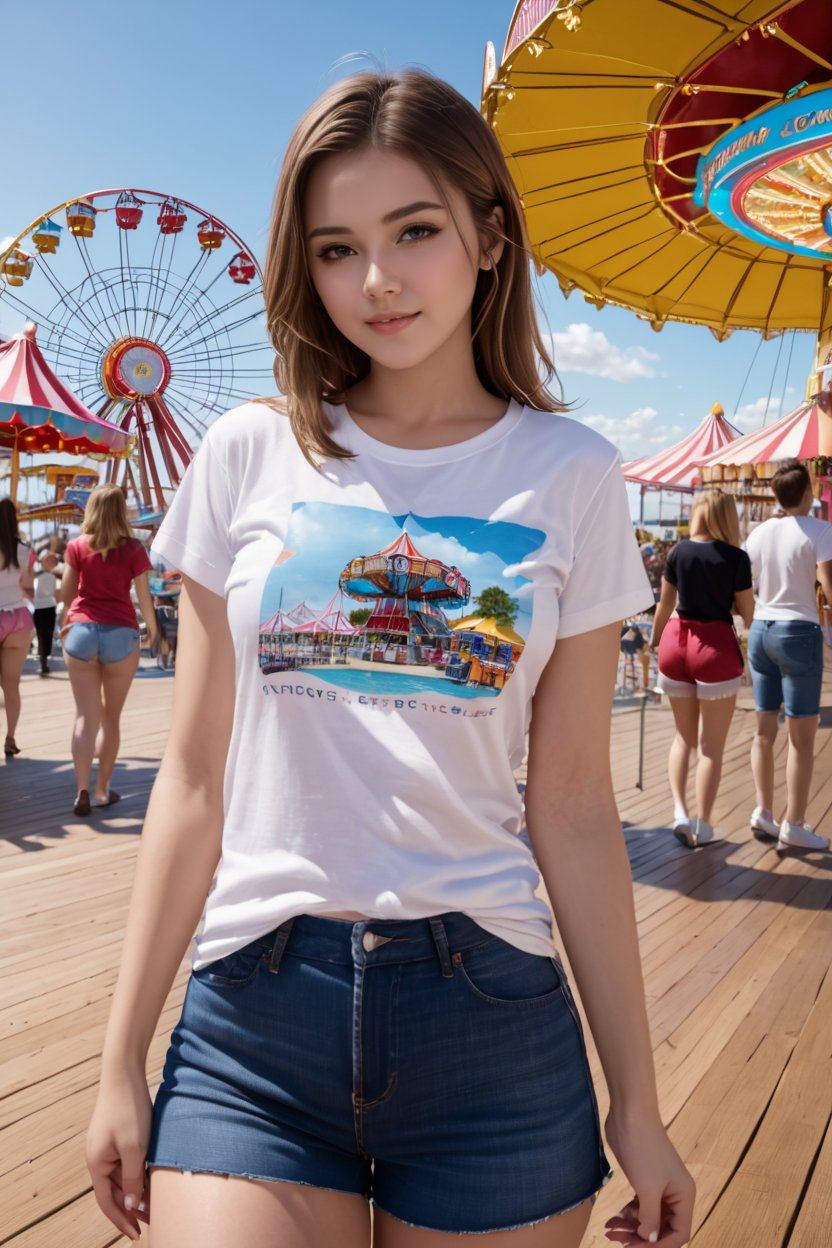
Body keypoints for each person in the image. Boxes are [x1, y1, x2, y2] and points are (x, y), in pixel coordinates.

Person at [86, 71, 694, 1248]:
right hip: (253, 1012)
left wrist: (640, 1103)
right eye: (335, 248)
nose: (376, 279)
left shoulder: (569, 472)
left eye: (413, 230)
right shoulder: (247, 451)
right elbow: (197, 779)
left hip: (490, 1012)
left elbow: (568, 802)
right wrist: (120, 1058)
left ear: (487, 234)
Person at [649, 491, 754, 848]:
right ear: (727, 517)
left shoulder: (678, 551)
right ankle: (703, 825)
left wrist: (652, 642)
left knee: (684, 738)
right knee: (711, 747)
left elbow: (664, 606)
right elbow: (748, 612)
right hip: (714, 647)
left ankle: (679, 812)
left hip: (676, 642)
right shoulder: (736, 558)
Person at [745, 459, 832, 853]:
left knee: (764, 731)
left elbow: (746, 584)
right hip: (799, 632)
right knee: (801, 737)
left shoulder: (759, 532)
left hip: (761, 630)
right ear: (809, 492)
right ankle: (794, 822)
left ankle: (764, 811)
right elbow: (829, 586)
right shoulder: (820, 530)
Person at [59, 484, 158, 816]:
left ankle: (81, 790)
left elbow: (67, 594)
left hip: (82, 633)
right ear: (121, 511)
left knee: (84, 718)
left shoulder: (76, 546)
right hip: (121, 634)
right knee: (110, 717)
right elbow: (144, 600)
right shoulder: (134, 549)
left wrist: (64, 626)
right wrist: (155, 632)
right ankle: (102, 791)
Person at [0, 497, 35, 755]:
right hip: (20, 618)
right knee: (11, 685)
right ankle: (10, 738)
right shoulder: (25, 549)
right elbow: (27, 587)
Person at [33, 550, 60, 676]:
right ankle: (43, 661)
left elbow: (50, 592)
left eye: (52, 561)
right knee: (41, 635)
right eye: (48, 560)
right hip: (39, 608)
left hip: (49, 607)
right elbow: (42, 592)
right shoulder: (37, 575)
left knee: (47, 634)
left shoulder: (53, 576)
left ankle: (44, 660)